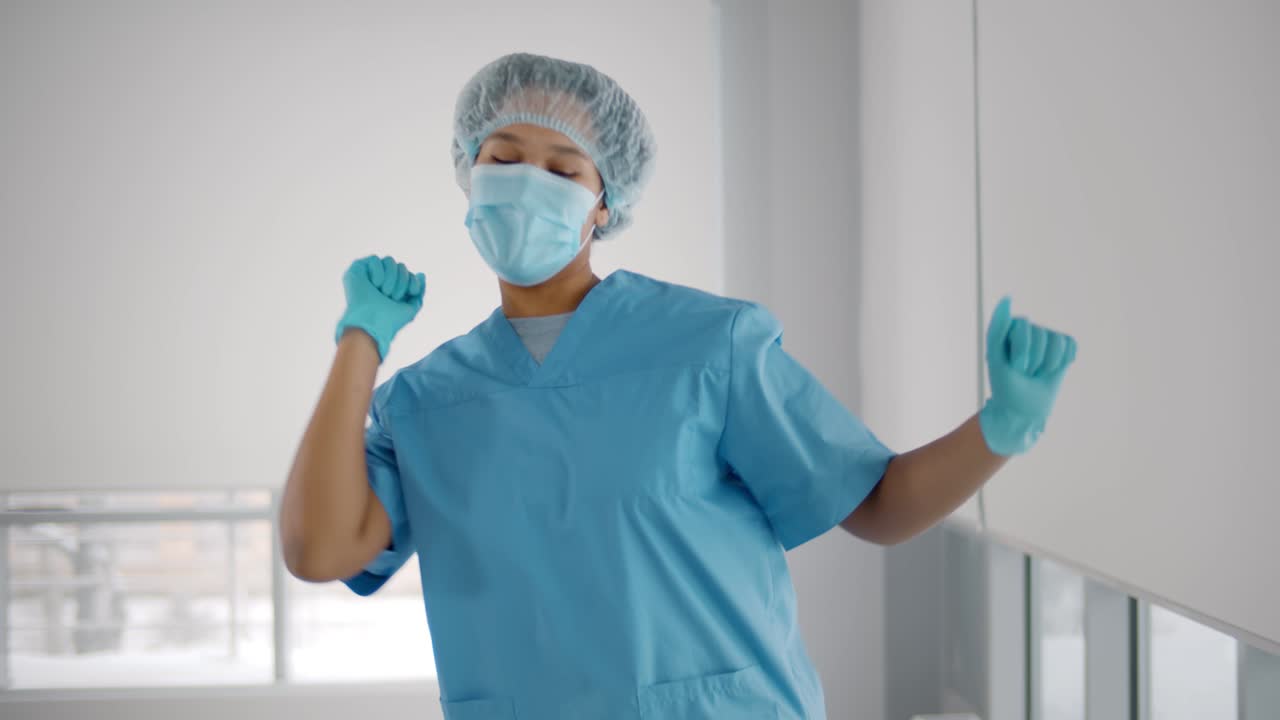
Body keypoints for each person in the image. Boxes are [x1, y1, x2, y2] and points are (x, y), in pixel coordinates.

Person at [279, 52, 1077, 720]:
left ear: (604, 204)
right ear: (468, 172)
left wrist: (1002, 425)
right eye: (504, 157)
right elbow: (319, 551)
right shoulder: (425, 402)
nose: (527, 182)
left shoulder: (707, 348)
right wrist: (361, 342)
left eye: (562, 168)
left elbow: (875, 505)